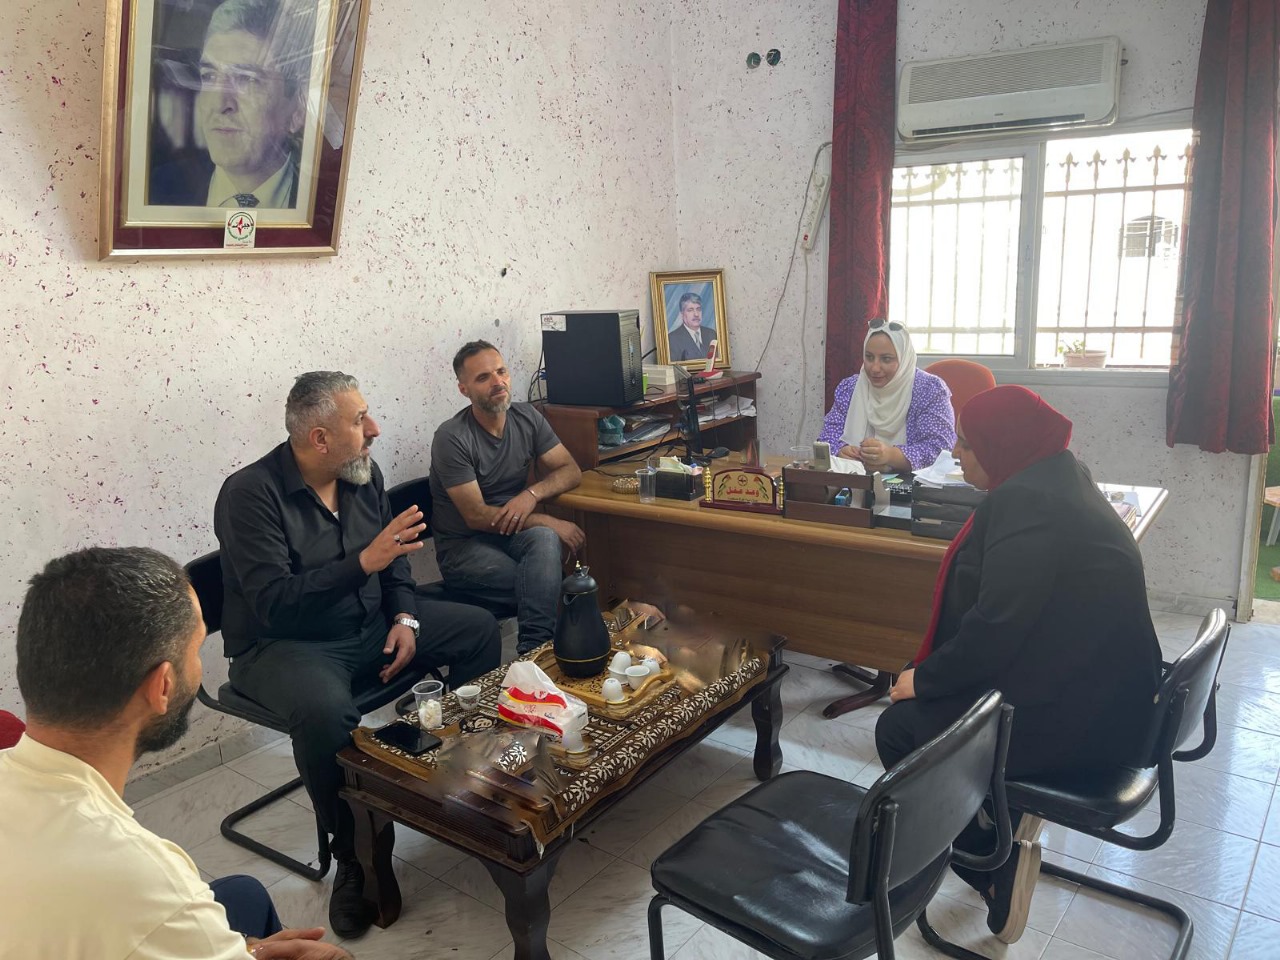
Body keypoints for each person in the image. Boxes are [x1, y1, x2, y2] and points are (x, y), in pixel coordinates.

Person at [215, 371, 501, 939]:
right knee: (324, 712)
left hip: (368, 625)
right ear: (319, 438)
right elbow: (273, 603)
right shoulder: (249, 494)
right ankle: (353, 856)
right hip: (285, 645)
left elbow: (395, 560)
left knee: (476, 630)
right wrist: (362, 563)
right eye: (359, 420)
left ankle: (460, 779)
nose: (374, 429)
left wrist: (405, 617)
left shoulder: (362, 475)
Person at [874, 385, 1162, 944]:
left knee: (901, 731)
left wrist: (925, 679)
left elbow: (996, 626)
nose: (956, 452)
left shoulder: (1027, 503)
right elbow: (1013, 617)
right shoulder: (1058, 474)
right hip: (1111, 701)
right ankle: (994, 815)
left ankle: (989, 861)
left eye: (967, 442)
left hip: (1086, 726)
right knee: (940, 708)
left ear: (1001, 445)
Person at [0, 546, 351, 959]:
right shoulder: (151, 887)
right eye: (196, 648)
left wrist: (246, 951)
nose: (198, 666)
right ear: (162, 686)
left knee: (244, 895)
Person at [431, 341, 585, 655]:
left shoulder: (526, 417)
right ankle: (538, 654)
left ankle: (532, 655)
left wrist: (531, 494)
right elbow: (476, 516)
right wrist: (545, 519)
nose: (497, 382)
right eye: (483, 377)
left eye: (501, 371)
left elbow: (570, 470)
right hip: (464, 547)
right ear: (463, 389)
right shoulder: (451, 437)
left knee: (543, 549)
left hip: (511, 535)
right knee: (541, 582)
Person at [150, 0, 311, 208]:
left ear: (298, 110)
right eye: (209, 76)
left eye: (247, 79)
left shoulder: (320, 202)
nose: (219, 104)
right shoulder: (157, 188)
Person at [817, 319, 955, 472]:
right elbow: (826, 437)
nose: (875, 368)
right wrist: (841, 450)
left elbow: (940, 449)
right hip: (855, 478)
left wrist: (891, 456)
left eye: (886, 359)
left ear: (904, 359)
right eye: (869, 357)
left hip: (912, 482)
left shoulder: (929, 390)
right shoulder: (850, 388)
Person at [667, 292, 719, 361]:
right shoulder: (672, 340)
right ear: (682, 314)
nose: (696, 314)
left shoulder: (711, 334)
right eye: (690, 310)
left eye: (698, 309)